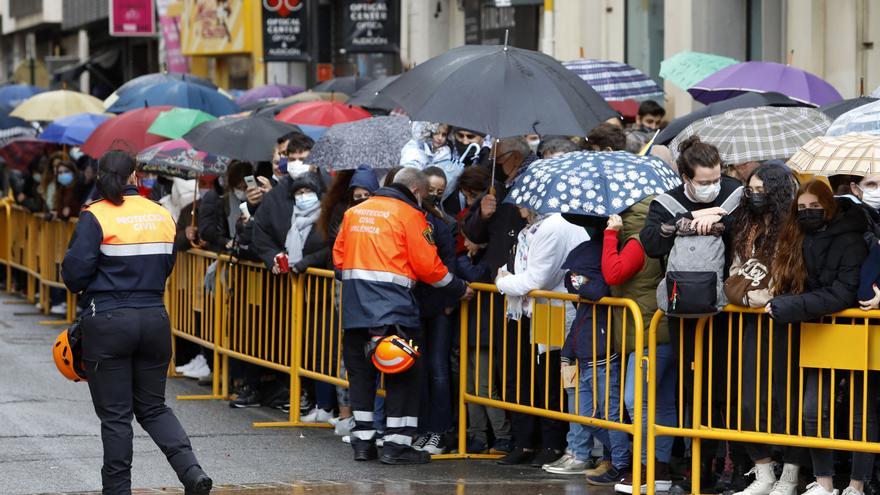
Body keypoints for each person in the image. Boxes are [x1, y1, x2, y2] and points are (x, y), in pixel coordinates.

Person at [60, 151, 211, 495]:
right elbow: (166, 266)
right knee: (154, 407)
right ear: (134, 176)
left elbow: (74, 275)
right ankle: (192, 472)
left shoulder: (96, 215)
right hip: (154, 318)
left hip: (108, 321)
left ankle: (118, 490)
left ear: (102, 176)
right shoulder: (160, 214)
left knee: (116, 417)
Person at [333, 167, 473, 465]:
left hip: (355, 313)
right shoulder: (410, 215)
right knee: (403, 376)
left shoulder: (354, 213)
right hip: (395, 312)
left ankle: (363, 443)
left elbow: (339, 264)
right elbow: (429, 267)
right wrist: (459, 288)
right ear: (418, 191)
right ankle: (396, 446)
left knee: (361, 379)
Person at [768, 179, 873, 495]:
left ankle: (856, 485)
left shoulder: (852, 239)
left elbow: (843, 293)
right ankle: (823, 482)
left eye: (815, 206)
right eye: (802, 207)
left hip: (856, 331)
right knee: (813, 409)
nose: (808, 212)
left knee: (861, 412)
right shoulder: (799, 237)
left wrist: (788, 306)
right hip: (818, 329)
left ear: (829, 205)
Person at [722, 162, 802, 495]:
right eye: (751, 190)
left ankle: (791, 475)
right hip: (753, 322)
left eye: (762, 190)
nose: (755, 196)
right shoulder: (746, 225)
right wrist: (746, 294)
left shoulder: (794, 228)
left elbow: (793, 276)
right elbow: (735, 272)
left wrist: (763, 295)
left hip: (787, 322)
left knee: (789, 400)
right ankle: (764, 471)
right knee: (748, 400)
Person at [494, 209, 590, 468]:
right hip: (531, 310)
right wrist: (510, 278)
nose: (519, 206)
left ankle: (551, 443)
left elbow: (536, 279)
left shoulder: (554, 226)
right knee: (525, 376)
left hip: (552, 309)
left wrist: (503, 282)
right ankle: (527, 442)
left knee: (549, 379)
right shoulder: (532, 229)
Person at [197, 161, 253, 253]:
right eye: (239, 188)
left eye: (245, 187)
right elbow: (206, 229)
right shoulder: (217, 198)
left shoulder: (253, 198)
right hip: (223, 251)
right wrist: (225, 241)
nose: (243, 191)